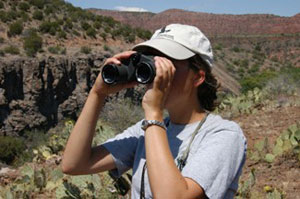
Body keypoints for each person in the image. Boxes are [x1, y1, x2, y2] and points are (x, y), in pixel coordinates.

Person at [62, 24, 247, 199]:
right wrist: (98, 93)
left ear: (197, 77)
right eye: (151, 60)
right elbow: (74, 164)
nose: (158, 72)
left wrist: (153, 113)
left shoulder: (224, 134)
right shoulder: (145, 132)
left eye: (167, 63)